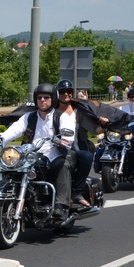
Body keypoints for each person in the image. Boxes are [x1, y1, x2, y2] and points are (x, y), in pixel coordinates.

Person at [0, 83, 76, 222]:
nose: (42, 100)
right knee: (9, 166)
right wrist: (1, 138)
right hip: (31, 156)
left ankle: (61, 205)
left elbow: (68, 133)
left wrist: (64, 140)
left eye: (46, 97)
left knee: (63, 165)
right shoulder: (29, 117)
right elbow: (15, 129)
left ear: (53, 99)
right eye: (40, 97)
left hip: (54, 154)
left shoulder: (61, 117)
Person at [55, 80, 95, 208]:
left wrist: (103, 122)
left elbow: (95, 122)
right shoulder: (51, 110)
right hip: (53, 149)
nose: (65, 94)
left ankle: (77, 193)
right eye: (62, 91)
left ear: (73, 93)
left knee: (87, 156)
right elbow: (24, 113)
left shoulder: (80, 110)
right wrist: (5, 118)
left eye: (69, 91)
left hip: (75, 149)